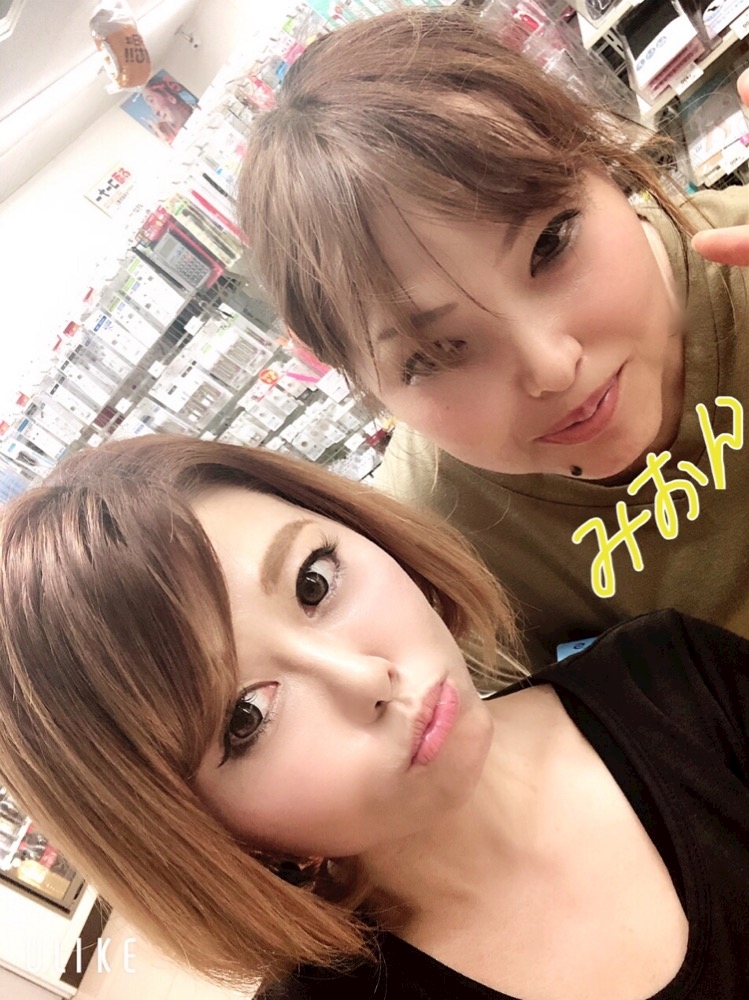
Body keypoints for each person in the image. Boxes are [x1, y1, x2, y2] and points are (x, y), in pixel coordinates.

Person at [1, 435, 749, 999]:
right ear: (191, 826)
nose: (365, 679)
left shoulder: (675, 679)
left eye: (314, 582)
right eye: (246, 719)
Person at [237, 6, 749, 666]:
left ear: (599, 159)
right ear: (358, 381)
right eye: (434, 353)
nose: (552, 367)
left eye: (550, 245)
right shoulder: (435, 547)